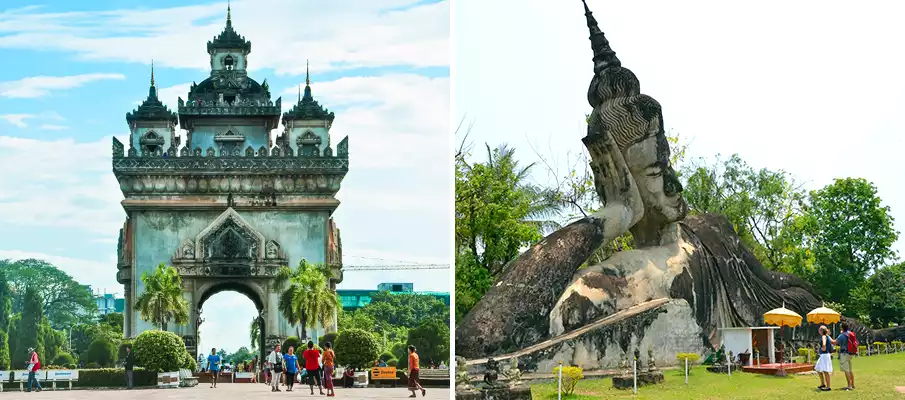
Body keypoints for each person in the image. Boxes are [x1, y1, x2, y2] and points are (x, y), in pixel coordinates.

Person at [834, 323, 856, 391]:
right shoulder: (850, 333)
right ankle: (852, 384)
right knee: (850, 370)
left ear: (842, 328)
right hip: (850, 353)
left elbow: (835, 342)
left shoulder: (842, 335)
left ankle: (849, 386)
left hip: (844, 354)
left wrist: (827, 336)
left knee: (846, 370)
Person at [815, 325, 834, 391]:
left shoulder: (823, 336)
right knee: (818, 368)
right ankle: (822, 384)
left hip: (824, 355)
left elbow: (824, 344)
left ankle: (828, 387)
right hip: (824, 355)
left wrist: (824, 347)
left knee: (825, 371)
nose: (818, 331)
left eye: (819, 329)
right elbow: (833, 342)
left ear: (821, 331)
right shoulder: (828, 336)